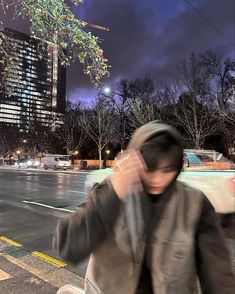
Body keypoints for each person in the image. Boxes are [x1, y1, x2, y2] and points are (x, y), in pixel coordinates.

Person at [53, 121, 234, 294]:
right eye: (149, 169)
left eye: (167, 169)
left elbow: (217, 268)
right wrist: (113, 194)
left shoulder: (194, 203)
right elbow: (68, 246)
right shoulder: (110, 190)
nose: (157, 179)